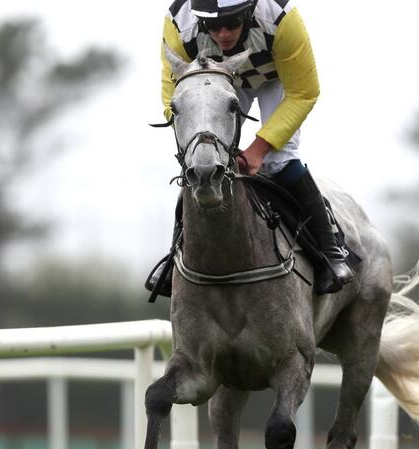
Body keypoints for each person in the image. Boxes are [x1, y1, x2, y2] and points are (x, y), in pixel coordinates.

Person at [147, 0, 354, 298]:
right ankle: (174, 256)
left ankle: (330, 251)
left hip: (276, 79)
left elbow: (304, 93)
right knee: (200, 162)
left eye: (232, 22)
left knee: (278, 161)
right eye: (213, 25)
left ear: (249, 11)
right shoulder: (178, 23)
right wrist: (193, 143)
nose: (223, 33)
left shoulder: (282, 19)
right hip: (216, 81)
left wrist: (259, 149)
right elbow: (174, 96)